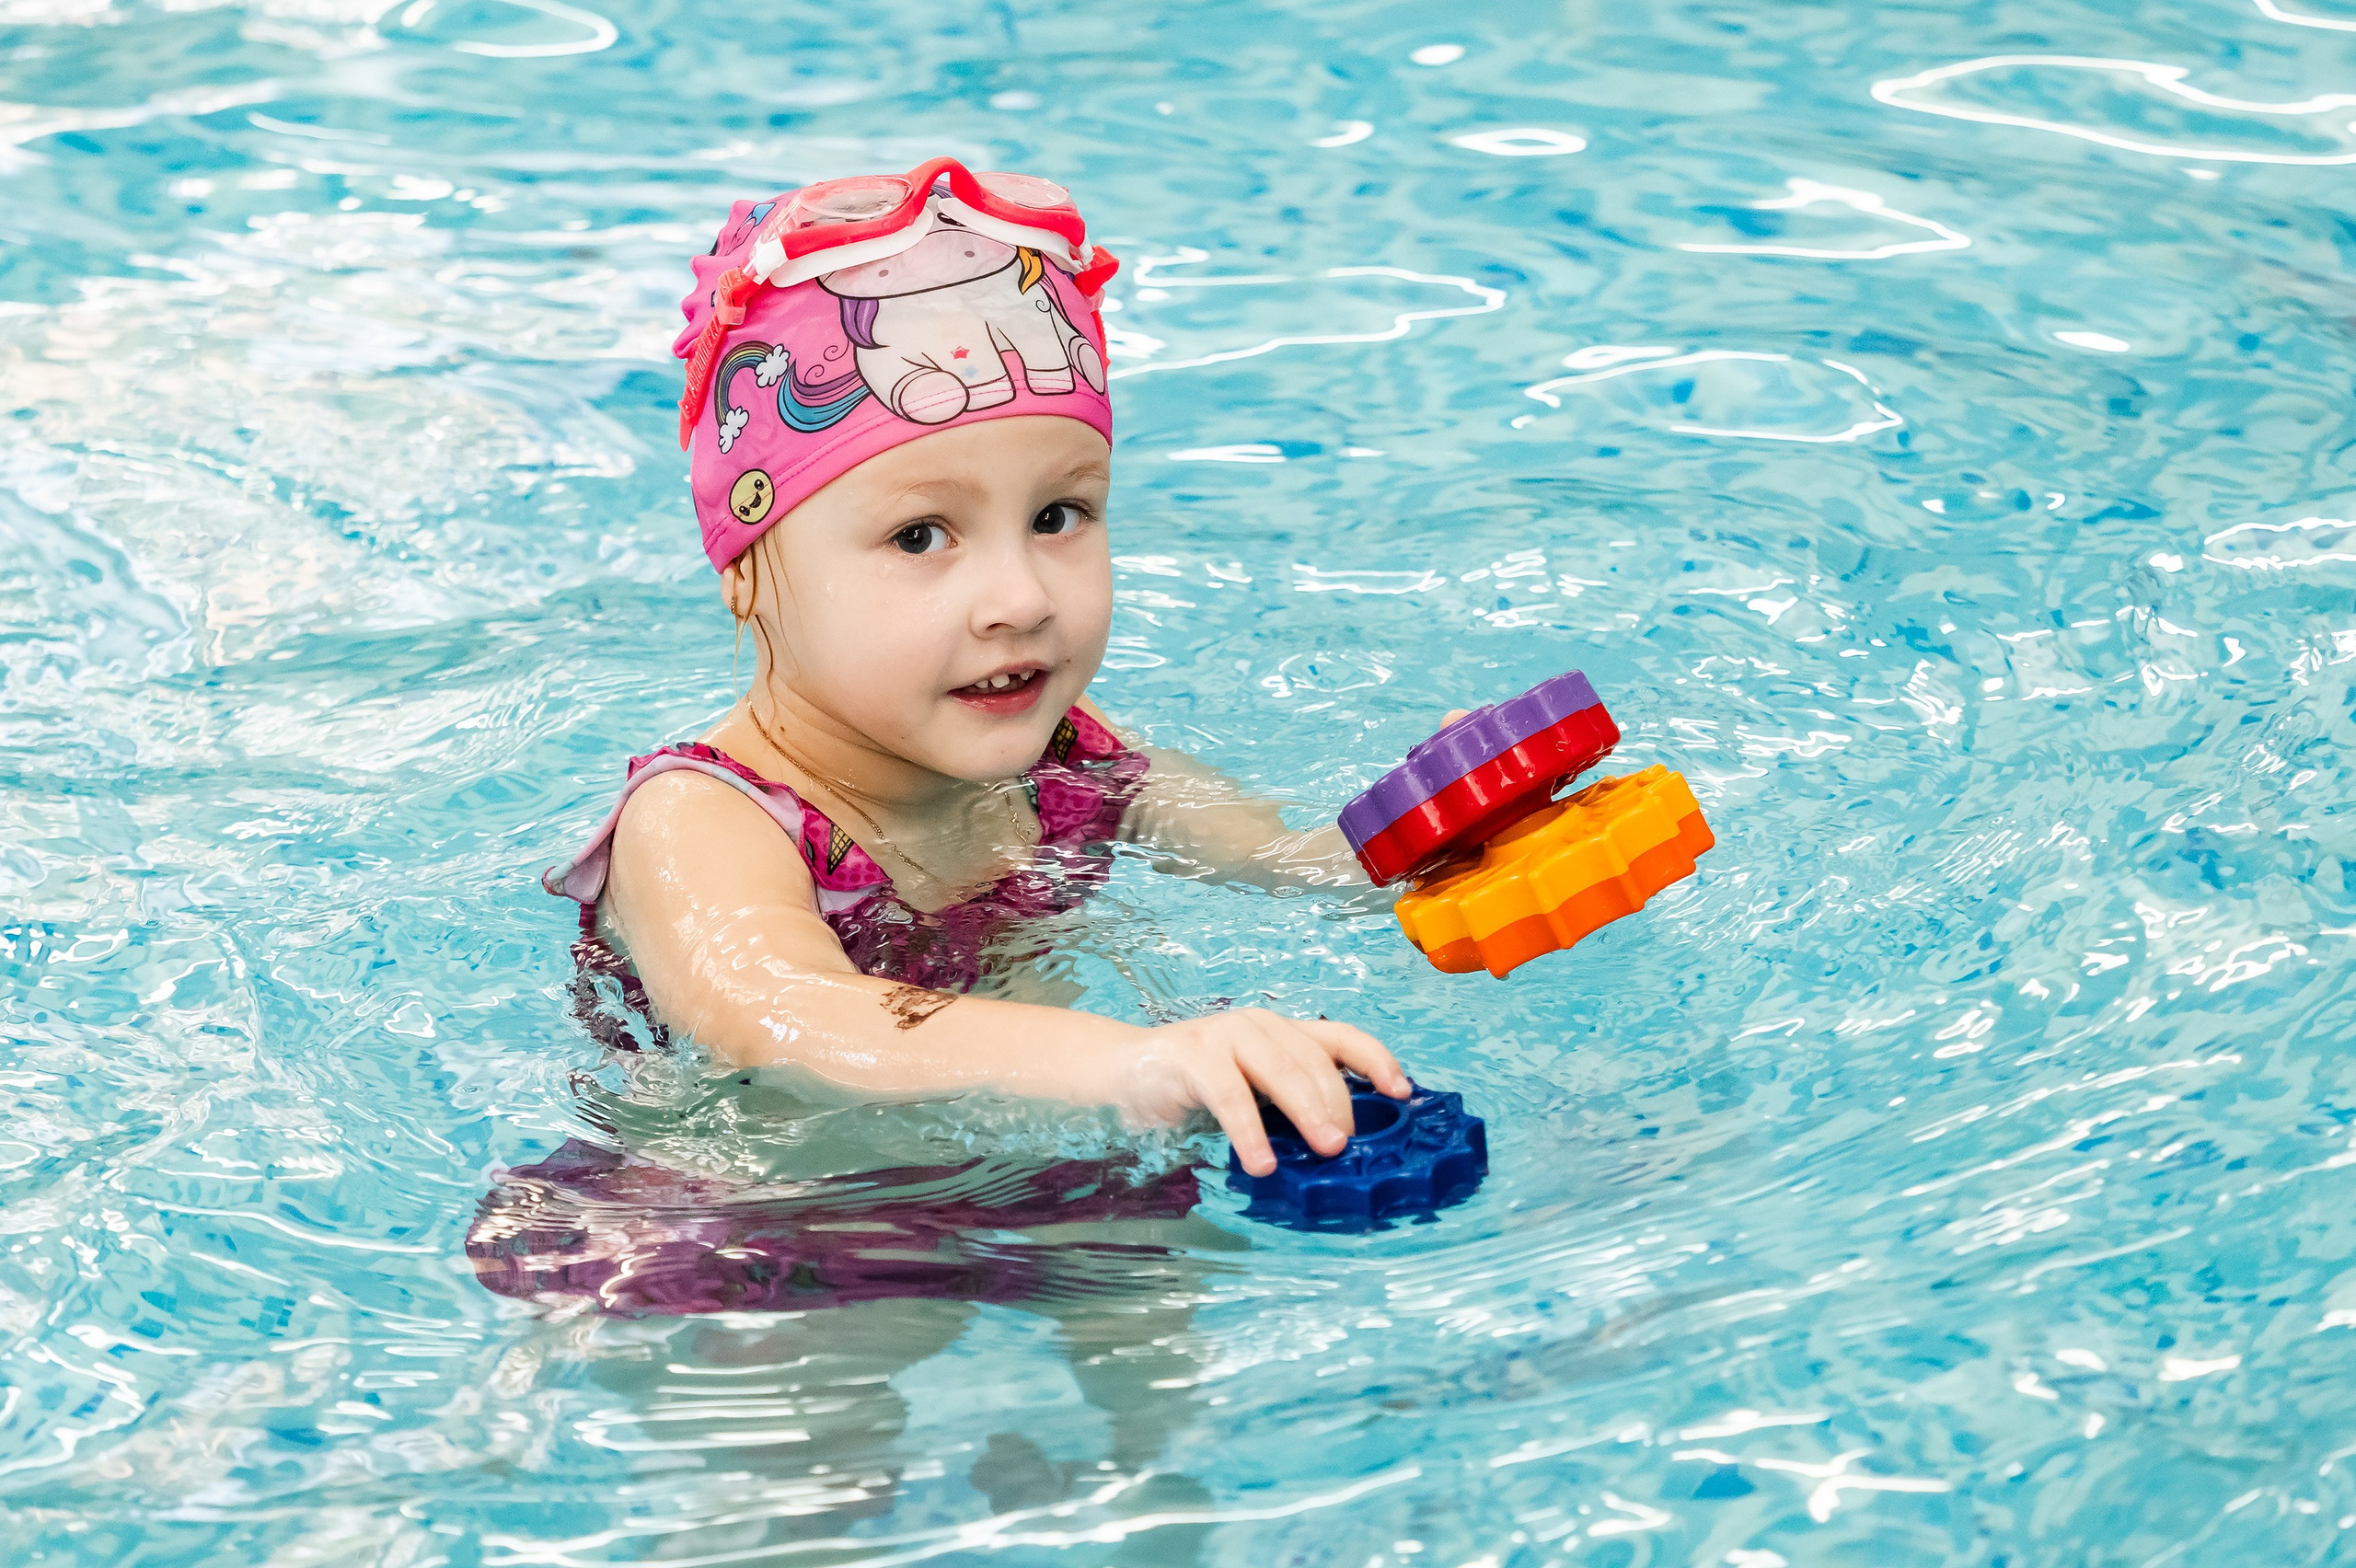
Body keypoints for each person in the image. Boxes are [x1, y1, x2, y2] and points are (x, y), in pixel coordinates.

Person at [544, 159, 1412, 1178]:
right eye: (920, 536)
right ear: (746, 574)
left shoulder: (1071, 758)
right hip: (766, 1222)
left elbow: (1296, 864)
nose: (1022, 599)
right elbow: (778, 1016)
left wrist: (1436, 831)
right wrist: (1130, 1065)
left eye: (1057, 516)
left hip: (1042, 1178)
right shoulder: (704, 819)